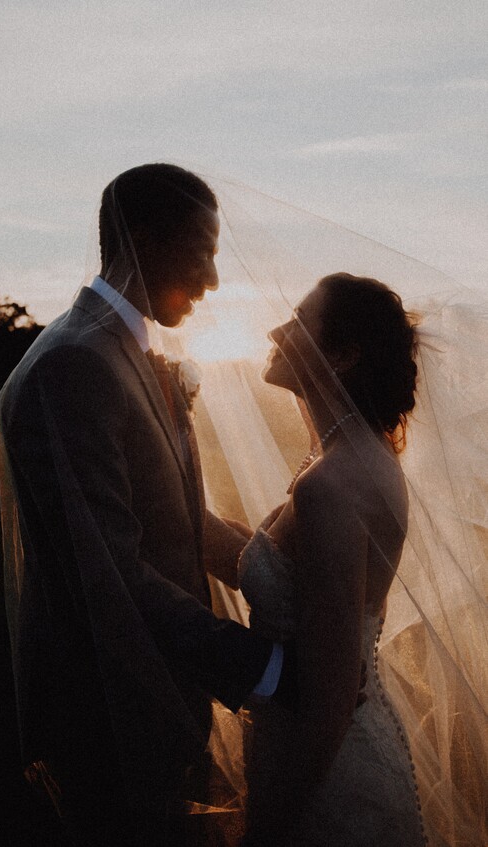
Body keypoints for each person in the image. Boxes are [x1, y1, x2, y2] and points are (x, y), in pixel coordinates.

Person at [0, 164, 284, 847]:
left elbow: (176, 519)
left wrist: (281, 576)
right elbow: (111, 572)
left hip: (149, 703)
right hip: (105, 720)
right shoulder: (75, 363)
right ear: (147, 240)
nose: (213, 279)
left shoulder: (120, 350)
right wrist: (265, 669)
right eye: (203, 250)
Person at [236, 273, 427, 845]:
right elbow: (278, 569)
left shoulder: (333, 485)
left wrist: (266, 829)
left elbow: (333, 697)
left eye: (297, 320)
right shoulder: (345, 457)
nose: (276, 328)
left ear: (342, 355)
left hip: (329, 783)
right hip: (330, 754)